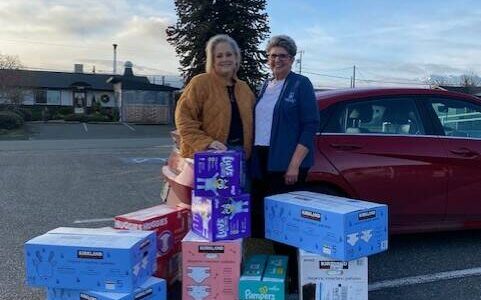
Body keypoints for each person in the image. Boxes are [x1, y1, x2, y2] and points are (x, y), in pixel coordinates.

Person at [250, 34, 320, 293]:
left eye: (282, 55)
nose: (276, 60)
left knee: (286, 224)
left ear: (292, 59)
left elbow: (310, 125)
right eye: (272, 55)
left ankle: (295, 278)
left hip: (287, 165)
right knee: (268, 220)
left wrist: (294, 165)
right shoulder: (264, 85)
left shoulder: (300, 84)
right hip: (262, 161)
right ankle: (278, 274)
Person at [175, 34, 255, 159]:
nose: (225, 59)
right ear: (212, 60)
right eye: (219, 56)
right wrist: (207, 143)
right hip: (208, 154)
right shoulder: (200, 83)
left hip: (241, 154)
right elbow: (184, 119)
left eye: (229, 54)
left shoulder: (244, 88)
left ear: (236, 58)